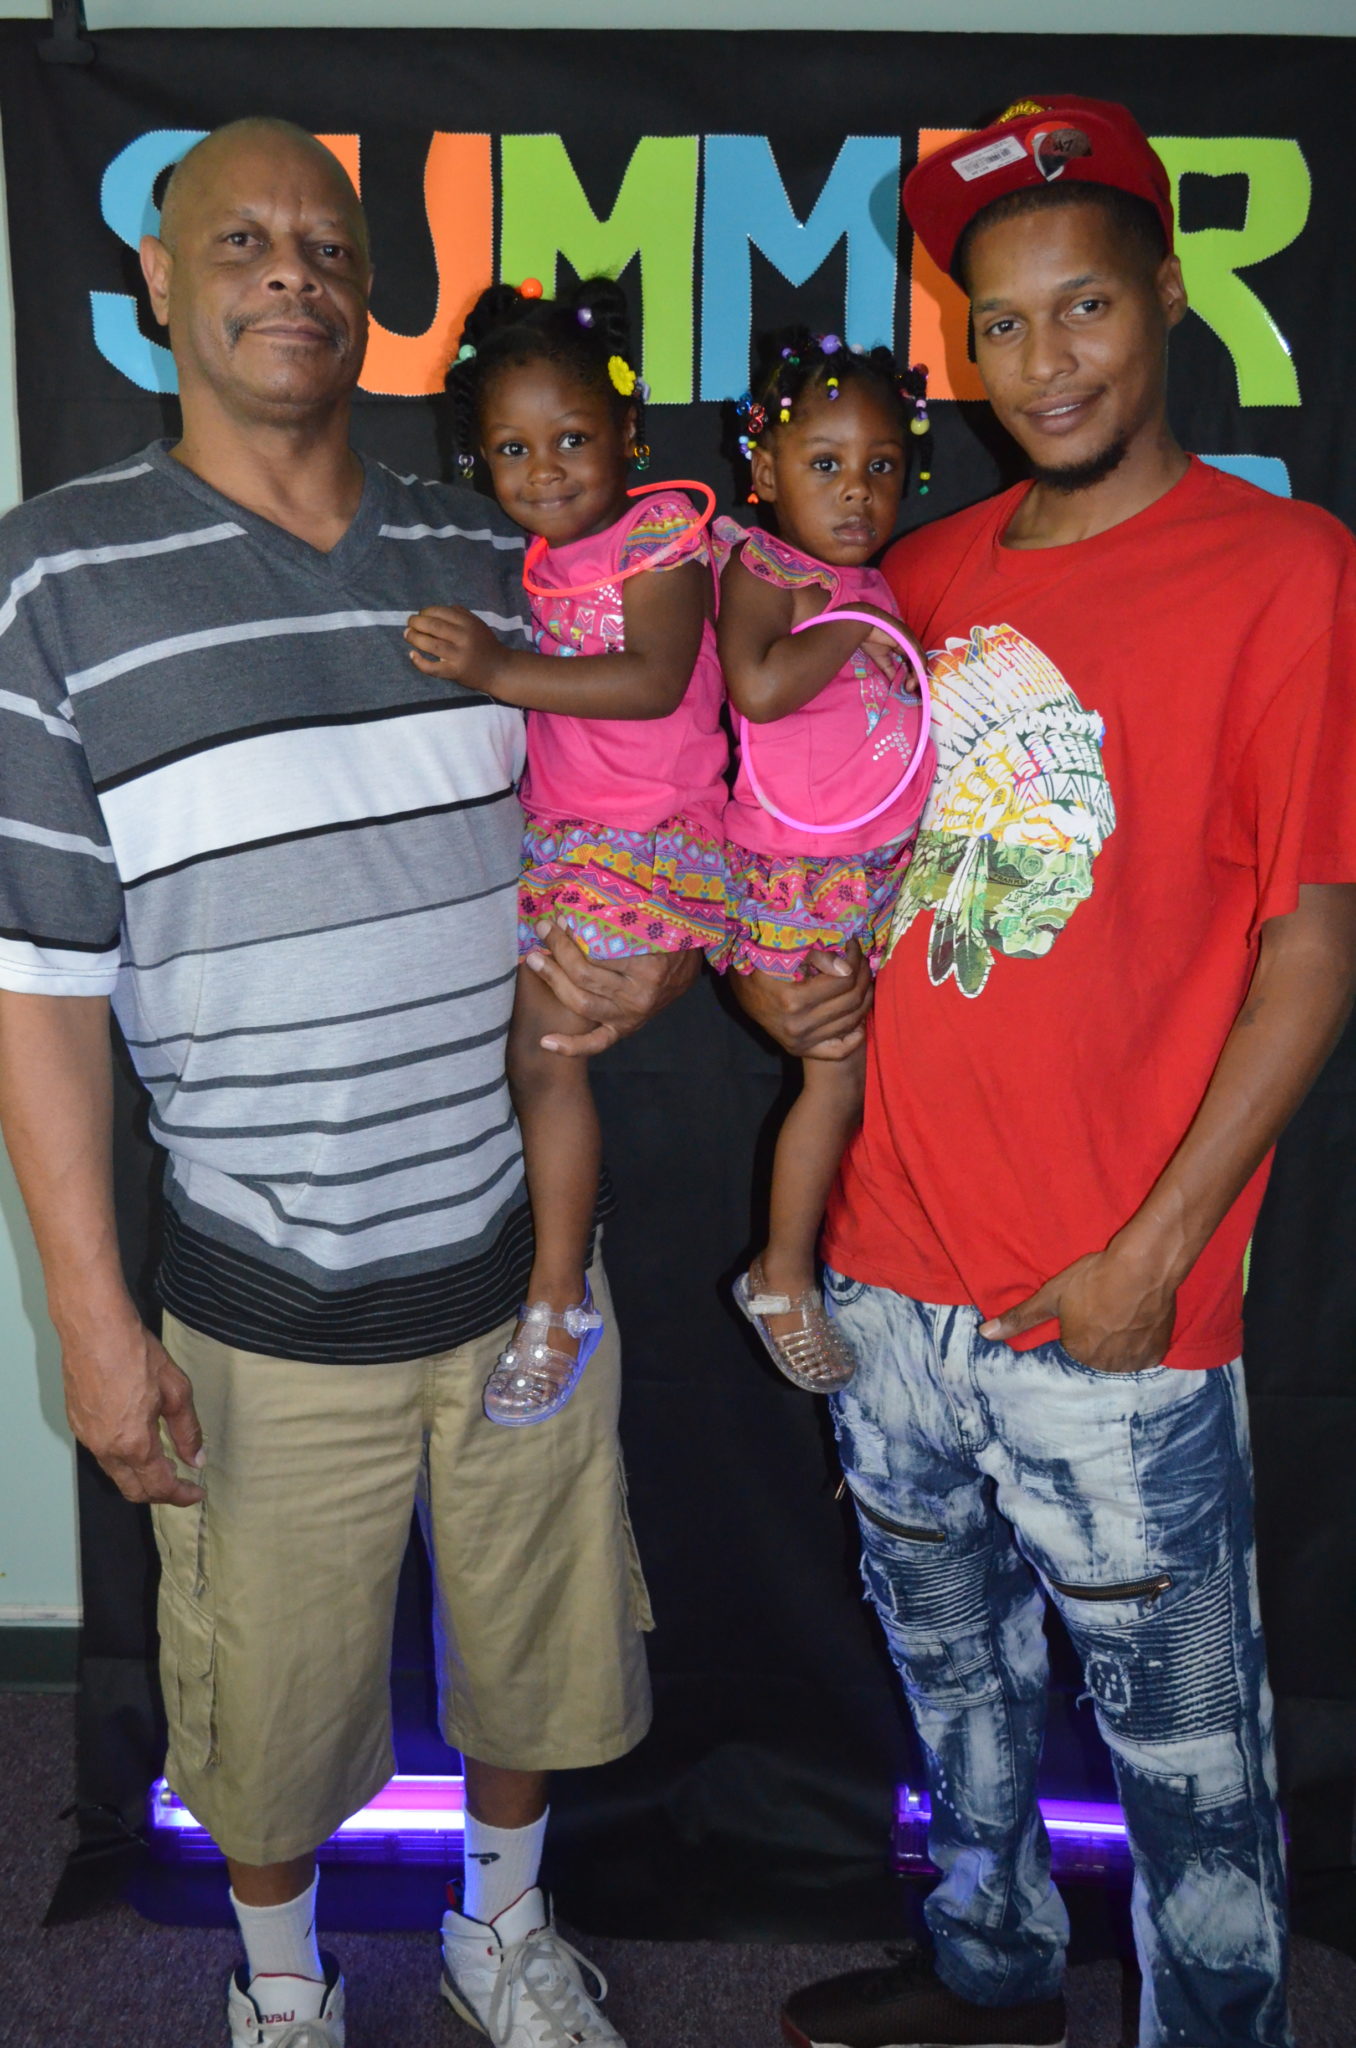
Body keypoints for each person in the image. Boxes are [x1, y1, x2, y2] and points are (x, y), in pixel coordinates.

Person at [0, 117, 702, 2048]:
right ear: (158, 277)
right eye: (242, 239)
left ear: (368, 293)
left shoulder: (494, 551)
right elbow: (40, 980)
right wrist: (84, 1302)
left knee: (541, 1670)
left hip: (518, 1265)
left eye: (324, 242)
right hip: (256, 1297)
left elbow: (619, 812)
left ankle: (503, 1933)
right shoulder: (53, 579)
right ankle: (285, 1984)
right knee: (268, 1712)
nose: (290, 270)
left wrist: (631, 960)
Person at [762, 97, 1356, 2048]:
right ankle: (993, 1968)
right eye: (1002, 325)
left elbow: (1314, 941)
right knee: (957, 1694)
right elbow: (823, 861)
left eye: (1084, 306)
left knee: (1189, 1754)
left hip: (1111, 1298)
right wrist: (780, 990)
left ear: (1166, 299)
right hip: (890, 1271)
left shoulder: (1286, 572)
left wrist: (1155, 1253)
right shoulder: (914, 578)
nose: (1047, 361)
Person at [404, 276, 728, 1428]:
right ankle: (547, 1288)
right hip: (565, 839)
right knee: (535, 1061)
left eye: (573, 438)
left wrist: (494, 669)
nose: (544, 469)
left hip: (646, 842)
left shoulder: (661, 538)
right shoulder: (534, 559)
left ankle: (555, 1299)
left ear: (631, 434)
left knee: (545, 1060)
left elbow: (649, 683)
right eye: (512, 447)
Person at [717, 330, 934, 1394]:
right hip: (798, 874)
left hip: (871, 876)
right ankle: (782, 1272)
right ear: (764, 474)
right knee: (835, 1081)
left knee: (874, 1086)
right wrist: (849, 622)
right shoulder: (769, 566)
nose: (856, 492)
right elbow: (756, 685)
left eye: (880, 466)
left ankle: (839, 1260)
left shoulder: (872, 584)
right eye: (824, 465)